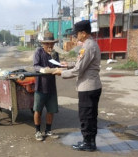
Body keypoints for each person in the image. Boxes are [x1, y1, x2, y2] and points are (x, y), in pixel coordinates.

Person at [53, 20, 102, 151]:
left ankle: (88, 143)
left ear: (84, 33)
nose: (75, 36)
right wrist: (67, 65)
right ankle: (90, 142)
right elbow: (80, 65)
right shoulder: (89, 44)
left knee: (86, 116)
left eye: (77, 34)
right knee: (90, 116)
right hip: (91, 86)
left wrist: (61, 72)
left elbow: (78, 70)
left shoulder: (88, 46)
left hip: (88, 87)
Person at [33, 31, 60, 141]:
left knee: (51, 110)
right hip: (40, 86)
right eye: (47, 44)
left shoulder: (55, 54)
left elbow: (58, 66)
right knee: (38, 110)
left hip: (51, 87)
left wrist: (55, 63)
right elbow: (35, 66)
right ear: (43, 44)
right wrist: (42, 69)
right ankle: (38, 131)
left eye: (51, 44)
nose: (49, 46)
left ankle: (48, 130)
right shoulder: (38, 52)